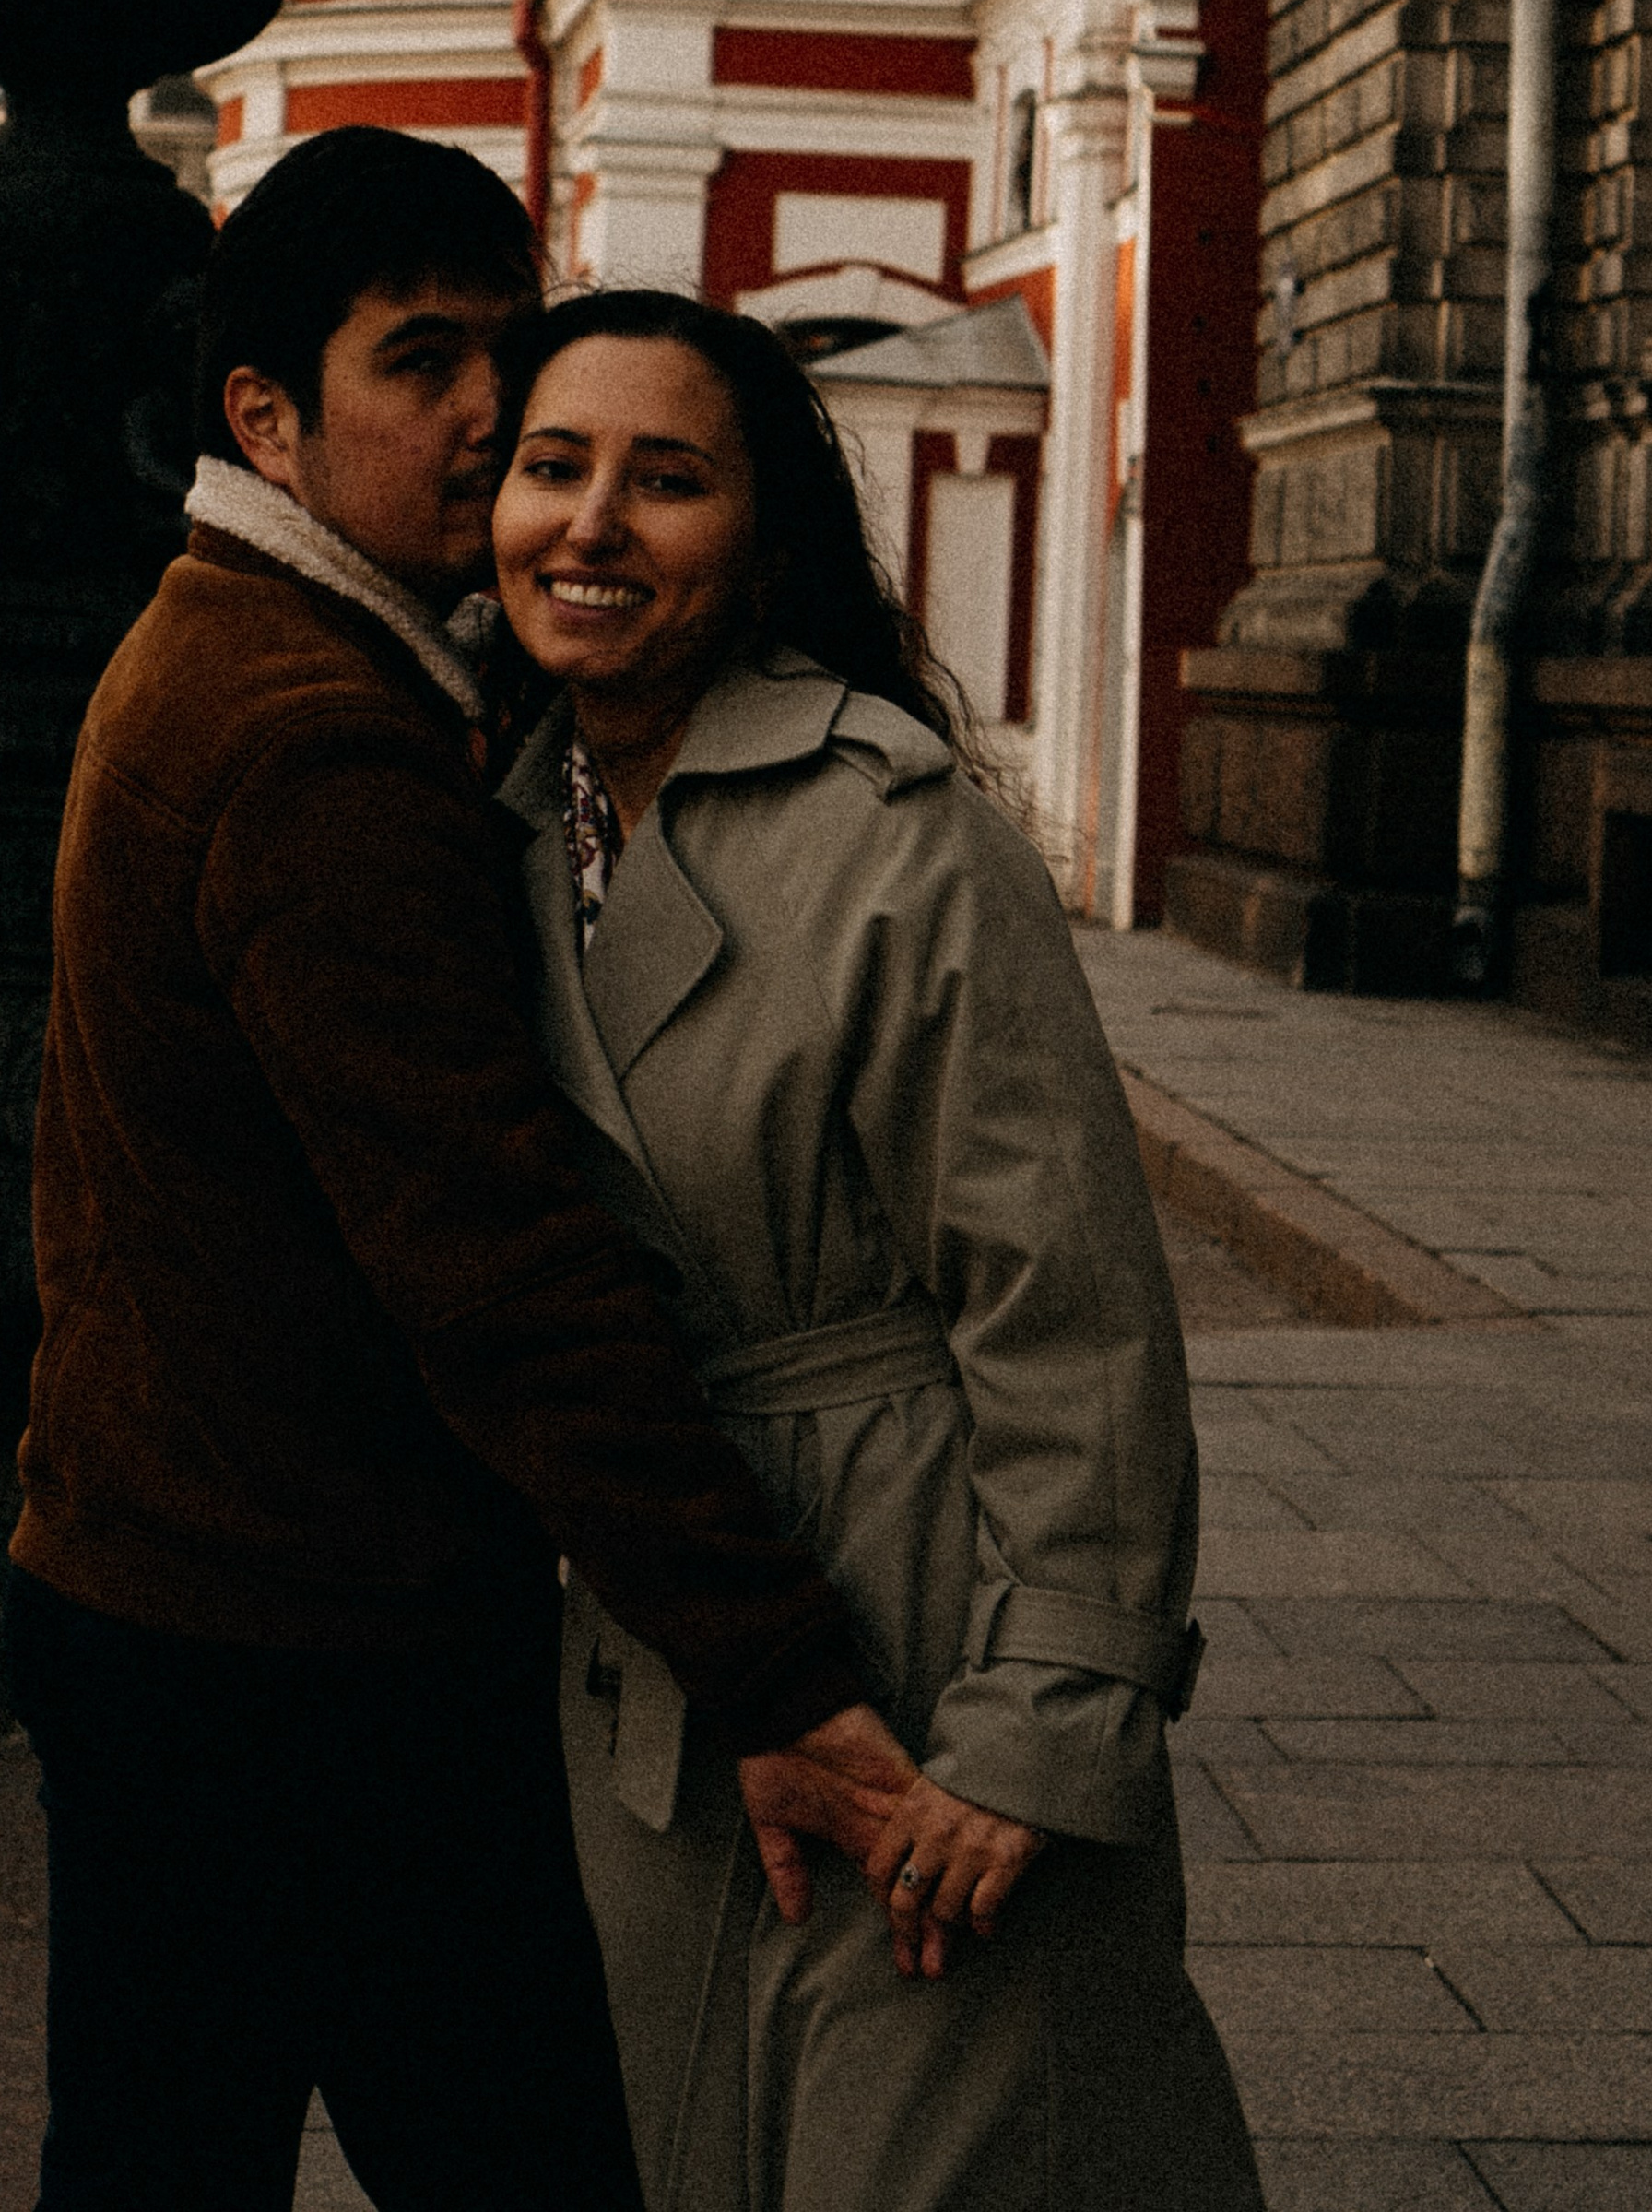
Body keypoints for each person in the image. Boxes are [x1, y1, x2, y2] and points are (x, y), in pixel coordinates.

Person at [8, 131, 914, 2212]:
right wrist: (772, 1662)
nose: (491, 412)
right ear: (268, 413)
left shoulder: (243, 637)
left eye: (505, 347)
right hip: (303, 1657)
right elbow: (494, 1262)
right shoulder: (311, 741)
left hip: (170, 1594)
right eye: (421, 361)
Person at [489, 289, 1267, 2212]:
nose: (588, 523)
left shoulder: (895, 830)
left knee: (937, 2151)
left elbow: (1064, 1310)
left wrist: (1046, 1721)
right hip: (665, 1656)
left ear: (759, 536)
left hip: (921, 1624)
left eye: (663, 480)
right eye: (549, 466)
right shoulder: (496, 829)